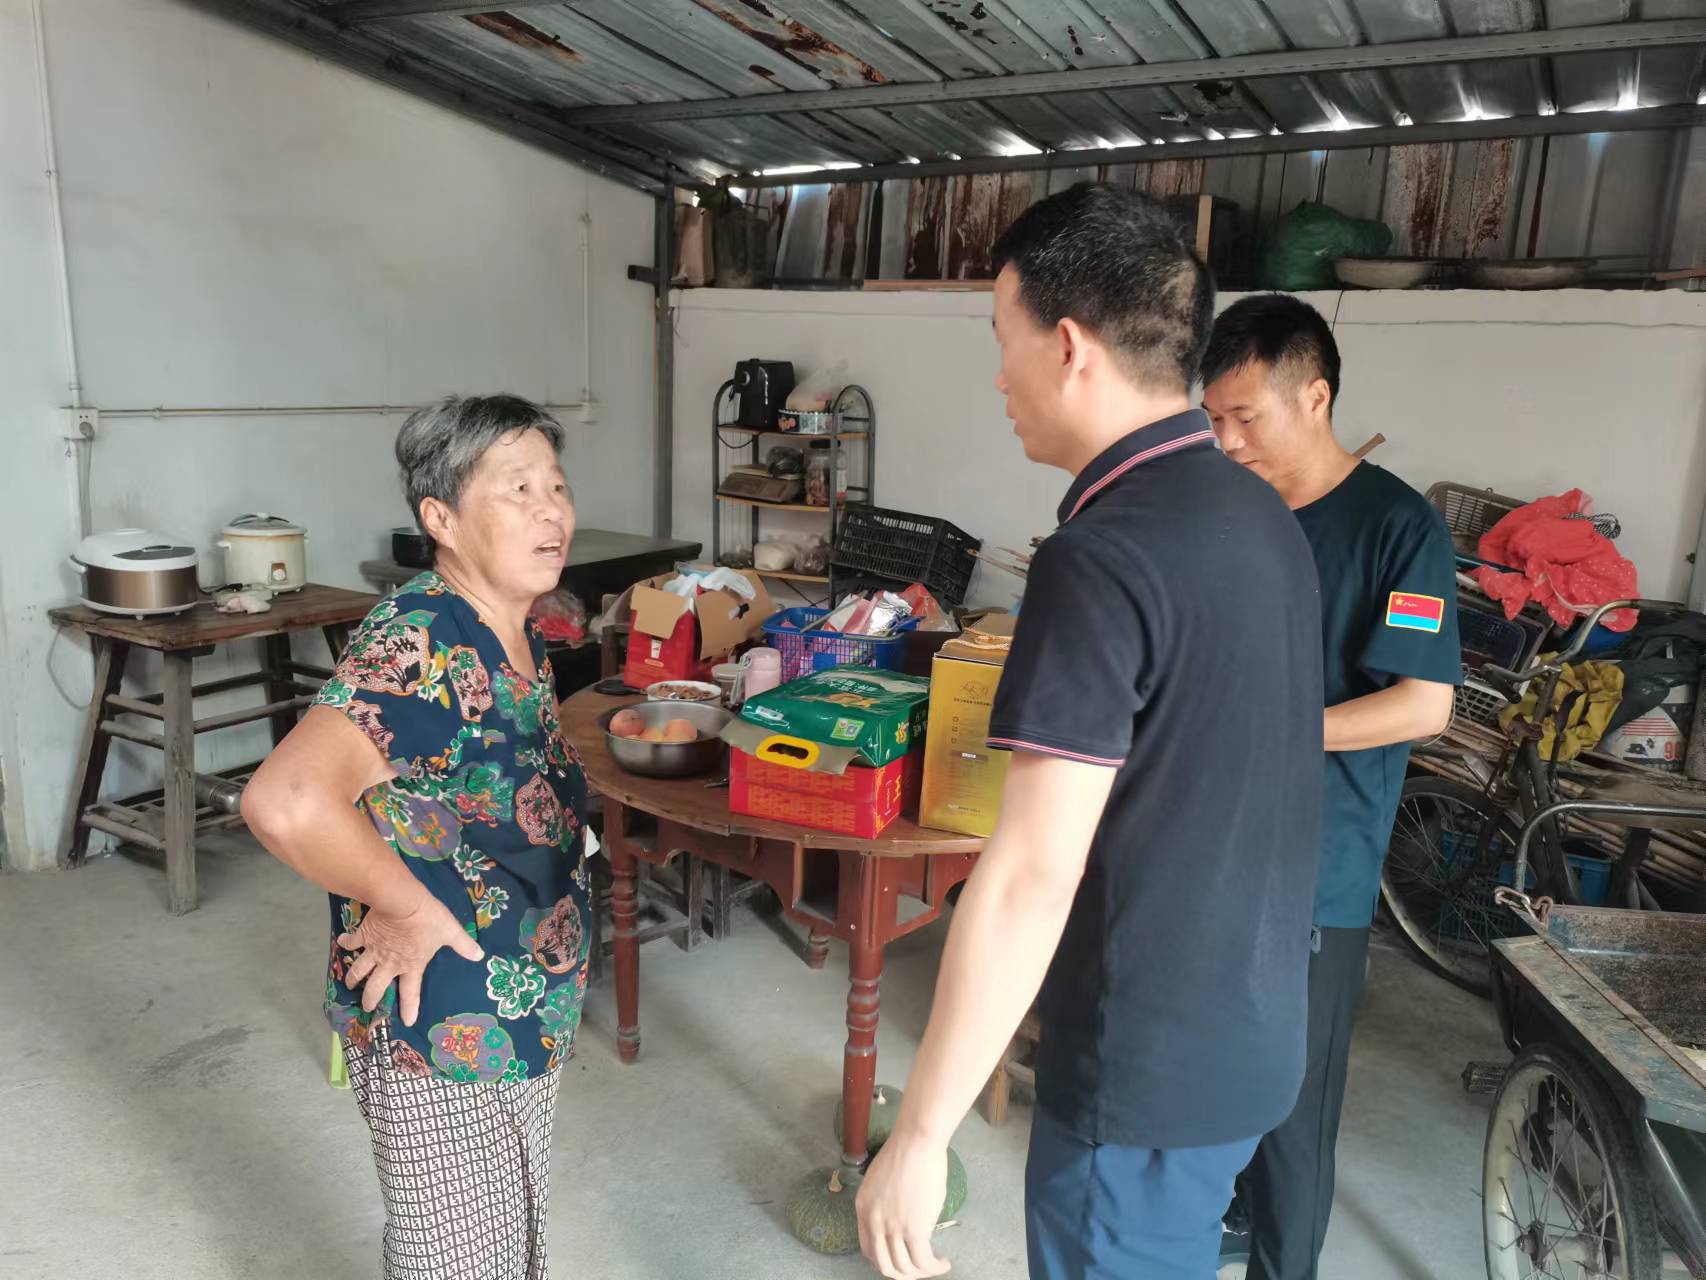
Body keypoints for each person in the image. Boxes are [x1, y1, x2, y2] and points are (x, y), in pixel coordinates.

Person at [854, 183, 1325, 1280]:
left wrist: (919, 1134)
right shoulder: (1255, 513)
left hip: (1142, 1070)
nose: (998, 377)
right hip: (1249, 1034)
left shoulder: (1101, 558)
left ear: (1066, 346)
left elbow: (1031, 871)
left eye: (1000, 337)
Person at [242, 394, 590, 1280]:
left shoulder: (516, 628)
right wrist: (401, 905)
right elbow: (286, 800)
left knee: (506, 1243)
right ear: (441, 519)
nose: (551, 511)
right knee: (455, 1262)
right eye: (518, 489)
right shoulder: (422, 640)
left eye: (556, 485)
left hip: (517, 1008)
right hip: (443, 1027)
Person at [1200, 295, 1460, 1280]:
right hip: (1210, 842)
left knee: (1294, 1110)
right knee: (1215, 1072)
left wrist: (1274, 730)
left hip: (1315, 867)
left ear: (1313, 397)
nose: (1226, 441)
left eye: (1244, 417)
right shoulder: (1230, 510)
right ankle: (1228, 1215)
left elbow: (1422, 704)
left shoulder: (1396, 526)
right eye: (1213, 418)